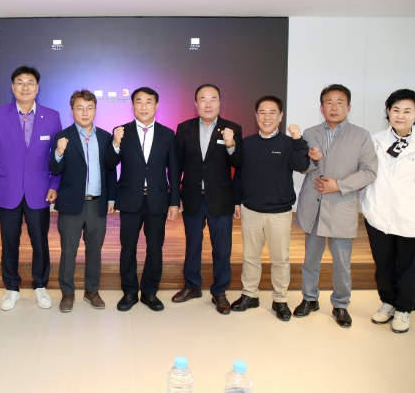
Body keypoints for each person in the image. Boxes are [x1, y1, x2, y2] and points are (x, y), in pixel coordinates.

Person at [0, 66, 62, 311]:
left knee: (40, 242)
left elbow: (58, 155)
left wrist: (54, 184)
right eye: (20, 82)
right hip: (8, 189)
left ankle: (40, 285)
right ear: (13, 87)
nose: (25, 87)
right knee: (9, 242)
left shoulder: (52, 116)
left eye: (30, 82)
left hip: (39, 190)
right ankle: (12, 287)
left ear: (37, 88)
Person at [294, 84, 377, 328]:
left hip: (341, 206)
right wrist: (311, 160)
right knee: (310, 259)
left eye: (339, 102)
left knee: (342, 263)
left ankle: (340, 304)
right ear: (321, 108)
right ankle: (309, 299)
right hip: (314, 206)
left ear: (348, 107)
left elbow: (369, 172)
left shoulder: (361, 135)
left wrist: (339, 185)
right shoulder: (310, 132)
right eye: (329, 102)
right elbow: (302, 167)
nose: (334, 107)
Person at [361, 89, 415, 334]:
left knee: (411, 269)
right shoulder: (374, 141)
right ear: (388, 111)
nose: (400, 115)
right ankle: (388, 302)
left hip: (414, 218)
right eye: (395, 109)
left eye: (407, 111)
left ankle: (404, 309)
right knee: (384, 266)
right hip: (380, 216)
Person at [231, 96, 310, 321]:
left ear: (280, 116)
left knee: (280, 259)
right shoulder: (247, 143)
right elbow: (239, 175)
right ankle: (250, 294)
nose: (267, 117)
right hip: (251, 210)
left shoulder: (289, 143)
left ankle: (280, 299)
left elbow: (302, 165)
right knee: (250, 257)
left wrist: (298, 140)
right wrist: (237, 202)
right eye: (262, 112)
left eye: (272, 112)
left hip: (279, 212)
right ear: (256, 116)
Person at [106, 87, 180, 312]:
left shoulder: (167, 134)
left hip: (157, 199)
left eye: (149, 101)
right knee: (127, 247)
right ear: (132, 106)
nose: (144, 106)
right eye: (139, 101)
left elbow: (174, 170)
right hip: (130, 198)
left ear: (156, 105)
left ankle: (149, 292)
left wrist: (174, 202)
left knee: (155, 248)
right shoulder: (122, 132)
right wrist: (115, 143)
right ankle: (129, 292)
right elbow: (110, 164)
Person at [172, 84, 242, 315]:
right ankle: (192, 286)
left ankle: (219, 291)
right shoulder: (184, 128)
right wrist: (176, 197)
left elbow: (239, 164)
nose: (208, 104)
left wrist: (231, 145)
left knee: (222, 249)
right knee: (192, 245)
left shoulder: (232, 129)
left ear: (220, 103)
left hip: (221, 199)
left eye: (213, 99)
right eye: (203, 99)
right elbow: (176, 166)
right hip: (192, 198)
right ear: (196, 104)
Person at [49, 90, 117, 312]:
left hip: (97, 204)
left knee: (94, 250)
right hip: (71, 205)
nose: (85, 112)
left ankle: (92, 291)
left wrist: (111, 198)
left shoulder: (105, 137)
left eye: (89, 108)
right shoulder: (62, 136)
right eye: (80, 108)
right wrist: (58, 152)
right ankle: (67, 293)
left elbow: (110, 170)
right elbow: (54, 168)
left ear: (95, 110)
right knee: (68, 251)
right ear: (72, 111)